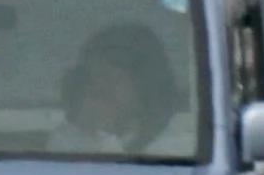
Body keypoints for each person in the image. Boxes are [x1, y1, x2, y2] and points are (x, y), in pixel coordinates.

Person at [53, 26, 181, 158]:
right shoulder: (67, 140)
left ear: (144, 84)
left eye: (110, 78)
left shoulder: (179, 144)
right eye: (92, 78)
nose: (98, 88)